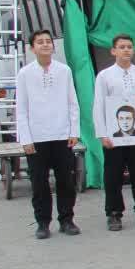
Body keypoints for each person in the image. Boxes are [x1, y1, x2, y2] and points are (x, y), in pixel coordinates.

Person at [16, 29, 81, 240]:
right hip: (37, 137)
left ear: (53, 46)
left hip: (62, 135)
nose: (45, 45)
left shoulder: (64, 71)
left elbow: (73, 102)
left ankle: (67, 219)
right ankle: (43, 222)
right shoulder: (25, 74)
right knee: (39, 182)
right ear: (32, 48)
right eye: (40, 42)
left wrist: (74, 131)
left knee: (65, 180)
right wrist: (25, 139)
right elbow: (22, 109)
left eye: (48, 41)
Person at [94, 33, 135, 231]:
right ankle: (113, 213)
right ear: (113, 51)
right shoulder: (105, 75)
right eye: (122, 47)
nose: (126, 50)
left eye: (129, 46)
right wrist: (102, 134)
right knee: (113, 176)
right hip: (114, 136)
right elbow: (98, 106)